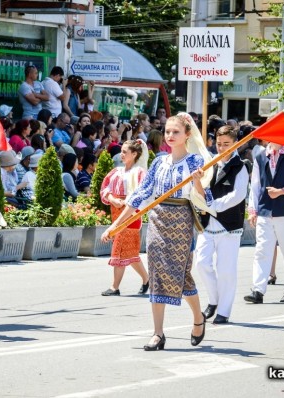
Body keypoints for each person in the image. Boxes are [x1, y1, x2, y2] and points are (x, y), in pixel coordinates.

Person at [102, 113, 214, 350]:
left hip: (182, 221)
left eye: (176, 132)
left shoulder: (195, 162)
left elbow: (206, 201)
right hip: (157, 221)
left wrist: (196, 181)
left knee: (181, 276)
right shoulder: (159, 162)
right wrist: (116, 225)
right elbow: (141, 194)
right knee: (156, 274)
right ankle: (158, 333)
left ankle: (198, 318)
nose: (170, 136)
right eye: (168, 131)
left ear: (187, 135)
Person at [195, 126, 248, 325]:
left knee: (226, 269)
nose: (221, 148)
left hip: (229, 224)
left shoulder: (241, 166)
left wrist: (214, 206)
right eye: (218, 144)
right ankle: (213, 299)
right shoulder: (211, 163)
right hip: (208, 222)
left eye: (226, 144)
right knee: (201, 262)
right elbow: (204, 188)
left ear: (235, 143)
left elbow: (239, 194)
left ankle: (224, 310)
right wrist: (198, 183)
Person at [244, 143, 284, 304]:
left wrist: (282, 191)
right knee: (262, 250)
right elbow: (256, 185)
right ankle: (258, 289)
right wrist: (253, 209)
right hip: (266, 210)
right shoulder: (260, 156)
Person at [99, 140, 150, 297]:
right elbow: (105, 187)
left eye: (125, 152)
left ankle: (115, 287)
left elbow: (142, 195)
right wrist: (113, 198)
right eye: (121, 151)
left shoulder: (140, 172)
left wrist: (127, 202)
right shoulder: (116, 171)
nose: (121, 154)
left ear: (134, 154)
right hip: (116, 209)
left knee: (121, 248)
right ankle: (147, 279)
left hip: (132, 213)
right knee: (129, 252)